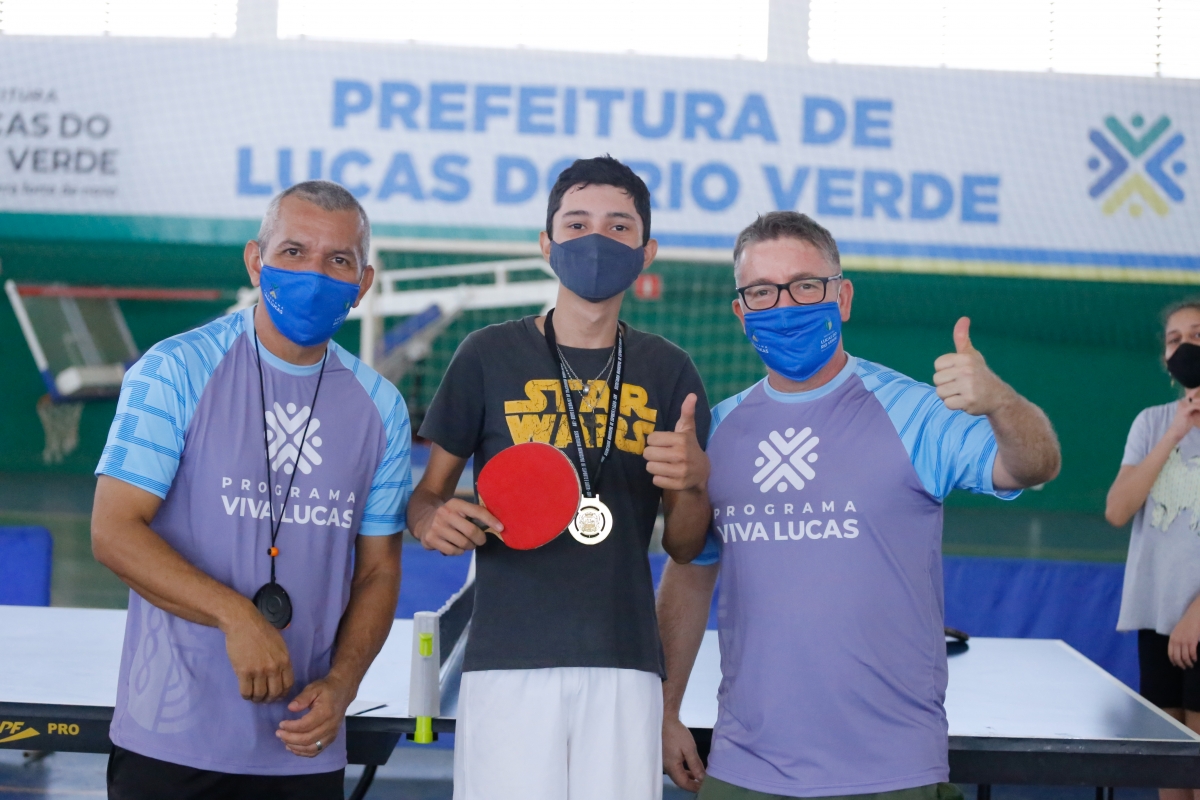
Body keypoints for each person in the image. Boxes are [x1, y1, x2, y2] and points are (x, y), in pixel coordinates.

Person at [656, 211, 1061, 800]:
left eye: (805, 285)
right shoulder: (718, 431)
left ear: (841, 298)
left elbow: (1035, 464)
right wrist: (666, 709)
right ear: (741, 312)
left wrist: (1001, 402)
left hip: (893, 772)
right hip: (746, 769)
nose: (784, 306)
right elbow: (690, 571)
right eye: (762, 292)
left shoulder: (914, 413)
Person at [91, 180, 411, 800]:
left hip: (302, 748)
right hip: (169, 738)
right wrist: (235, 616)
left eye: (337, 260)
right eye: (293, 252)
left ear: (363, 283)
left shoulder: (382, 408)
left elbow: (378, 571)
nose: (313, 275)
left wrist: (343, 683)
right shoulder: (175, 370)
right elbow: (113, 532)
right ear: (255, 260)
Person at [408, 155, 712, 800]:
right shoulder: (486, 355)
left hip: (626, 662)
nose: (595, 241)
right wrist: (433, 520)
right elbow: (426, 499)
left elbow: (686, 546)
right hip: (506, 658)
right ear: (547, 244)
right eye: (576, 224)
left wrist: (691, 483)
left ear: (647, 250)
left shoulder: (669, 370)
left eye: (618, 227)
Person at [1105, 299, 1200, 800]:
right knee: (1171, 764)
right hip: (1156, 616)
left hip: (1198, 618)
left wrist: (1197, 613)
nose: (1186, 347)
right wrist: (1177, 432)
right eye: (1174, 339)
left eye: (1197, 334)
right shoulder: (1151, 423)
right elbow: (1118, 509)